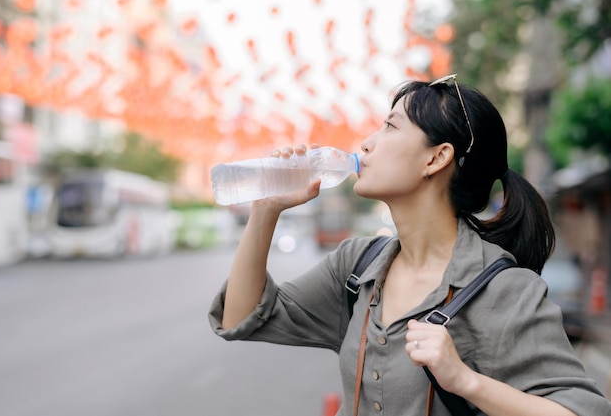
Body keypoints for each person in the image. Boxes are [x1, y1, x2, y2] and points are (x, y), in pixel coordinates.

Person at [208, 74, 611, 416]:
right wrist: (266, 210)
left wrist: (464, 380)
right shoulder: (356, 267)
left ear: (436, 158)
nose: (365, 144)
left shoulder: (504, 291)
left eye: (390, 127)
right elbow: (239, 318)